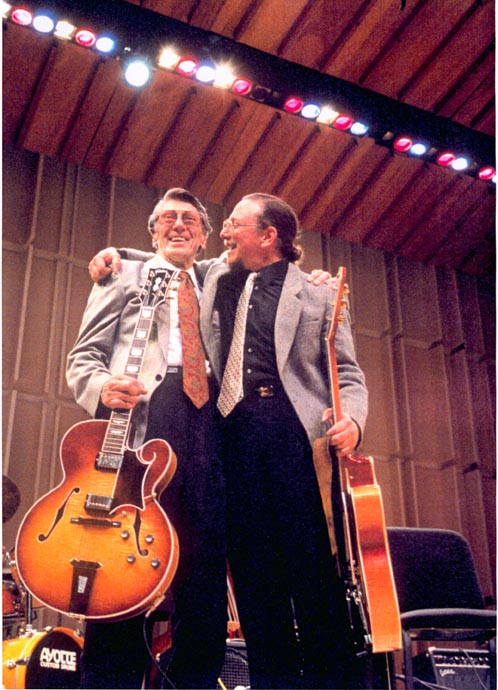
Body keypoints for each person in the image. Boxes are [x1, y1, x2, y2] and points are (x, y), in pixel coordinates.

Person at [89, 192, 368, 689]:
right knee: (231, 575)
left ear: (266, 235)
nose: (215, 231)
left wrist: (354, 422)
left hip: (263, 438)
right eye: (168, 219)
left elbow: (346, 372)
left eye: (199, 222)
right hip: (185, 431)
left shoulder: (295, 288)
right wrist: (116, 256)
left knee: (281, 570)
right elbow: (157, 268)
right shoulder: (159, 275)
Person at [66, 188, 228, 689]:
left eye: (189, 220)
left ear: (203, 237)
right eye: (168, 219)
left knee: (204, 567)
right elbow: (83, 358)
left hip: (210, 426)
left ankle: (195, 681)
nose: (178, 225)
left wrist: (313, 277)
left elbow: (263, 266)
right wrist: (101, 387)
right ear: (154, 232)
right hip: (143, 423)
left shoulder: (217, 281)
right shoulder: (122, 274)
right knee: (122, 560)